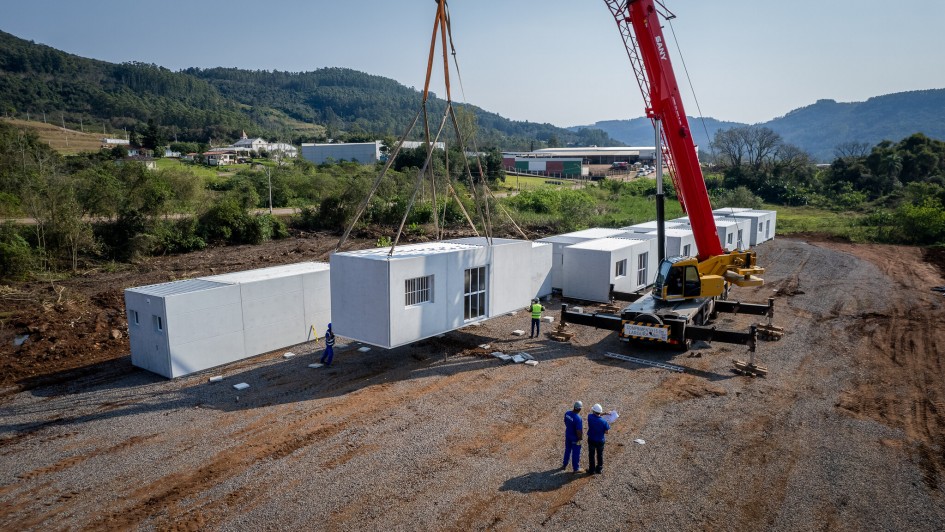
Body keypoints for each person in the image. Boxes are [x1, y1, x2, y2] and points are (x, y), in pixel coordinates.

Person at [586, 403, 611, 475]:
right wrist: (606, 413)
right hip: (600, 440)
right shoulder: (604, 422)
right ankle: (599, 469)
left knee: (591, 455)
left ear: (593, 411)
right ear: (600, 412)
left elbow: (596, 415)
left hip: (591, 439)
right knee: (600, 455)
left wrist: (604, 413)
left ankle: (591, 470)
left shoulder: (589, 417)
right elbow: (607, 432)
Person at [561, 401, 583, 472]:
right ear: (579, 409)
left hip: (568, 435)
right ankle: (576, 468)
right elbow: (578, 431)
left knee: (567, 450)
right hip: (575, 438)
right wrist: (580, 439)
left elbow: (565, 421)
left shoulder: (567, 413)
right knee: (576, 453)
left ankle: (564, 464)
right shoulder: (578, 418)